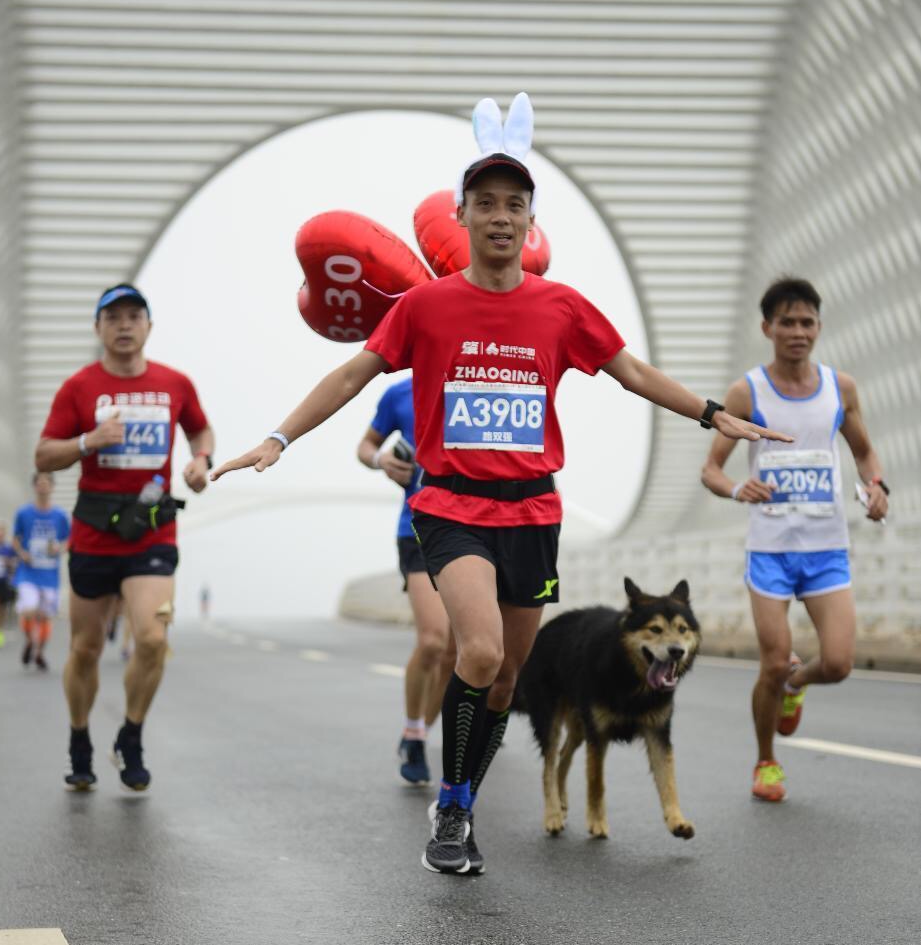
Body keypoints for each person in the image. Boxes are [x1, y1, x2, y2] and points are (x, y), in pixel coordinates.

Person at [212, 92, 789, 875]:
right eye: (484, 203)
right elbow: (353, 373)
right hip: (450, 506)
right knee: (478, 653)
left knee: (507, 677)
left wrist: (712, 413)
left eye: (513, 204)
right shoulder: (425, 306)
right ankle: (453, 810)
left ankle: (460, 795)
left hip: (532, 510)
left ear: (529, 220)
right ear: (461, 216)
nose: (499, 216)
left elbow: (631, 372)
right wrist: (278, 438)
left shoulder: (560, 307)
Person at [701, 276, 889, 803]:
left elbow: (865, 453)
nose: (798, 332)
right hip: (771, 551)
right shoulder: (747, 392)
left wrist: (877, 487)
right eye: (787, 322)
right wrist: (737, 488)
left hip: (826, 549)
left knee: (839, 663)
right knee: (772, 658)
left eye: (807, 322)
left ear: (819, 327)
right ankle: (766, 761)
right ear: (768, 328)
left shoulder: (839, 388)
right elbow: (710, 470)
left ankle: (795, 684)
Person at [35, 283, 214, 791]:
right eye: (113, 317)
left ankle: (130, 736)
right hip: (94, 533)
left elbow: (200, 430)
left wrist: (200, 460)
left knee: (152, 639)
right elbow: (43, 455)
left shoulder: (175, 383)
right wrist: (88, 441)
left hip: (152, 530)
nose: (124, 325)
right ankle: (79, 738)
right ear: (98, 328)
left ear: (148, 327)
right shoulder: (78, 387)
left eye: (134, 316)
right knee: (86, 648)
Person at [357, 375, 453, 784]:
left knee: (456, 652)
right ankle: (414, 735)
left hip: (476, 526)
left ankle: (422, 730)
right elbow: (365, 446)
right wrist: (380, 460)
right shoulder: (399, 393)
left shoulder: (482, 375)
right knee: (433, 640)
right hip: (417, 526)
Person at [12, 472, 71, 671]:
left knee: (45, 615)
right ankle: (30, 641)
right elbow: (15, 539)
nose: (43, 486)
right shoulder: (23, 513)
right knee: (29, 609)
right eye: (40, 483)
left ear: (52, 487)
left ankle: (39, 652)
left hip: (49, 574)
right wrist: (22, 554)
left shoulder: (60, 516)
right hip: (28, 572)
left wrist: (59, 549)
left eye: (47, 483)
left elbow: (68, 540)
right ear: (35, 486)